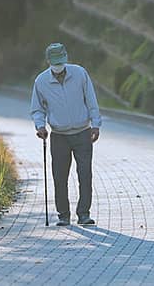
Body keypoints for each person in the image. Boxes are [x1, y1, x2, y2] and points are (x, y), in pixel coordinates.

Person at [30, 43, 102, 226]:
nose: (58, 66)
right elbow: (37, 109)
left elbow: (91, 99)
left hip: (83, 132)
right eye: (55, 63)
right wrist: (40, 126)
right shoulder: (41, 81)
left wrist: (96, 125)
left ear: (66, 58)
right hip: (59, 135)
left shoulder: (79, 74)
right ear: (48, 62)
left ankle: (84, 214)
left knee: (85, 174)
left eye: (61, 62)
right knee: (59, 176)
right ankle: (63, 215)